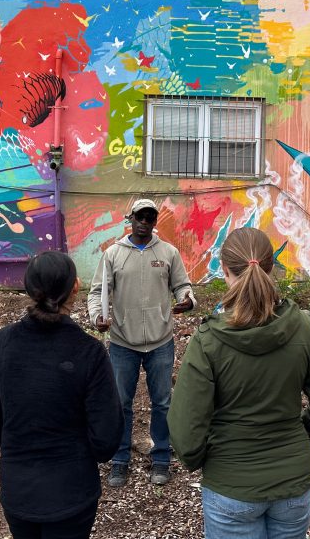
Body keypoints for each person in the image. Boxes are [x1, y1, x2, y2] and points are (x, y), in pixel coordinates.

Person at [169, 227, 310, 539]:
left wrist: (202, 458)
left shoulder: (208, 340)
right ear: (271, 268)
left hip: (231, 482)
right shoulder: (304, 327)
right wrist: (297, 432)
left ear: (224, 271)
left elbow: (186, 430)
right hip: (292, 480)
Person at [0, 251, 123, 539]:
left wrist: (15, 439)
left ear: (29, 289)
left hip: (19, 491)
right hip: (72, 494)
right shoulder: (89, 352)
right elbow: (106, 440)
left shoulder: (3, 343)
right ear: (75, 287)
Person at [87, 197, 195, 488]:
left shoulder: (169, 253)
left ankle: (161, 459)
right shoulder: (113, 255)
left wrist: (187, 300)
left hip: (161, 340)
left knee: (162, 403)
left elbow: (183, 286)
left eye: (150, 217)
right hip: (123, 342)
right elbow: (97, 292)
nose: (145, 222)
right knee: (121, 403)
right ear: (130, 219)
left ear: (155, 221)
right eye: (140, 217)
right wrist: (97, 316)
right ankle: (120, 460)